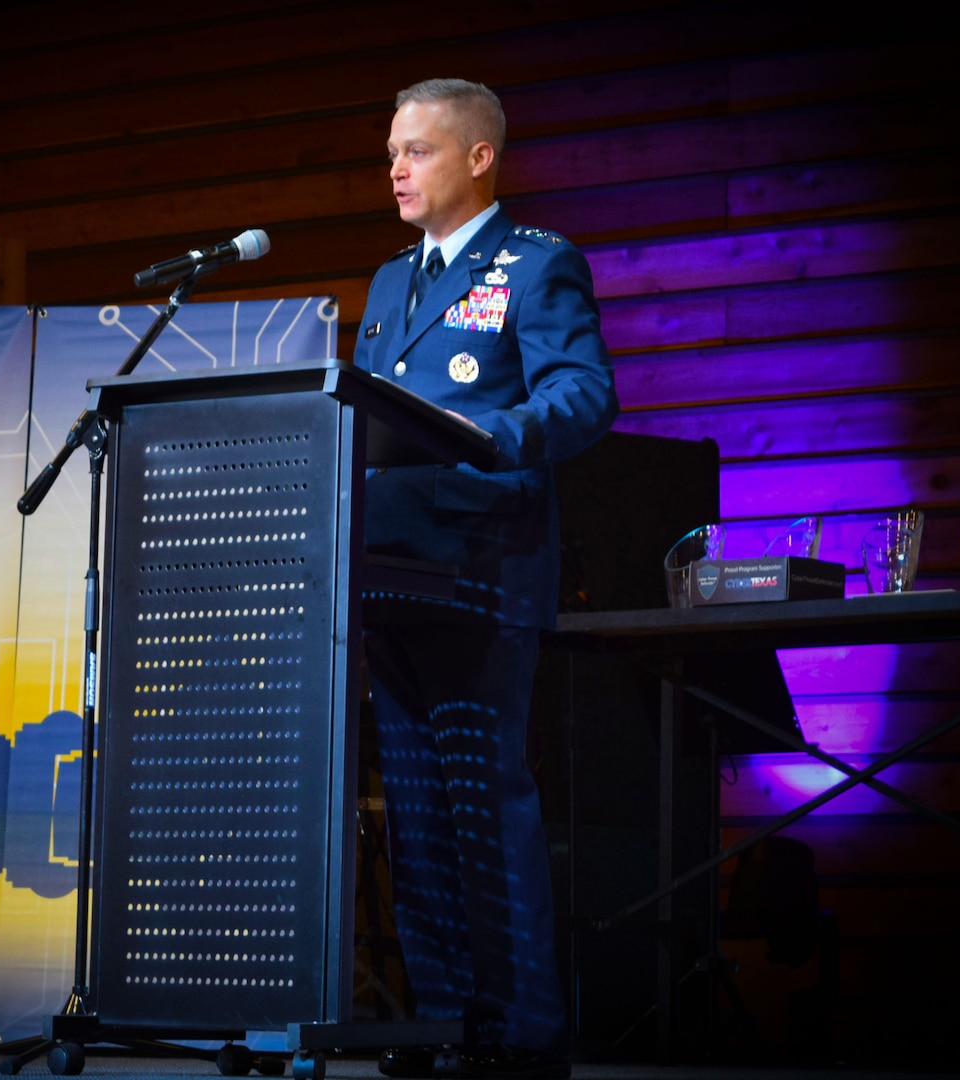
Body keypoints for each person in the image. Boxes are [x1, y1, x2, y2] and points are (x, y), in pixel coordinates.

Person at [354, 79, 618, 1079]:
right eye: (390, 151)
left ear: (476, 158)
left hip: (479, 569)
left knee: (479, 801)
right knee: (414, 811)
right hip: (387, 569)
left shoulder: (536, 263)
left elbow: (583, 395)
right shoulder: (389, 282)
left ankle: (518, 1033)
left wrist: (488, 434)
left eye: (416, 150)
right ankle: (442, 1021)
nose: (395, 168)